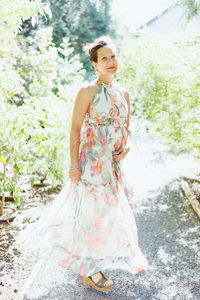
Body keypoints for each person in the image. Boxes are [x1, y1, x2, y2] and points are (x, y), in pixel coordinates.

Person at [16, 35, 149, 293]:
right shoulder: (86, 92)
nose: (110, 62)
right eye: (104, 58)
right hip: (90, 164)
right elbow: (75, 130)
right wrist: (74, 166)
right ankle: (89, 270)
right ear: (95, 65)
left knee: (107, 217)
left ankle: (93, 263)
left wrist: (125, 148)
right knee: (88, 216)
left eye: (113, 56)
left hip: (112, 167)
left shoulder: (124, 94)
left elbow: (125, 129)